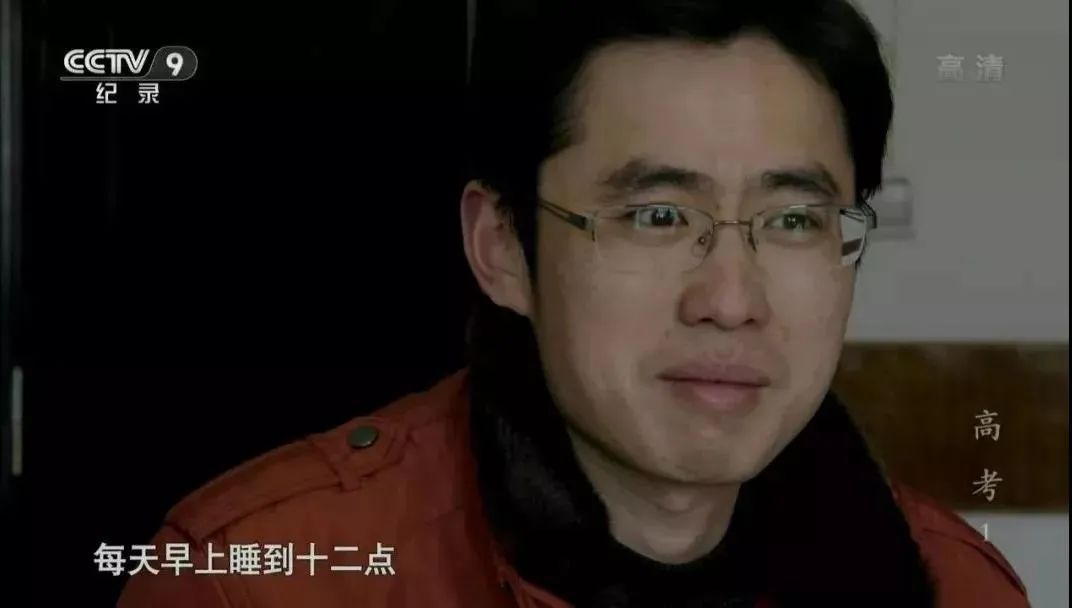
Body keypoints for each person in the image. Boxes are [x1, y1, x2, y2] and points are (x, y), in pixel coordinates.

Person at [118, 0, 1030, 606]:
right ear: (502, 247)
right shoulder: (256, 582)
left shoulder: (956, 588)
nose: (730, 300)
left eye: (794, 220)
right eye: (659, 216)